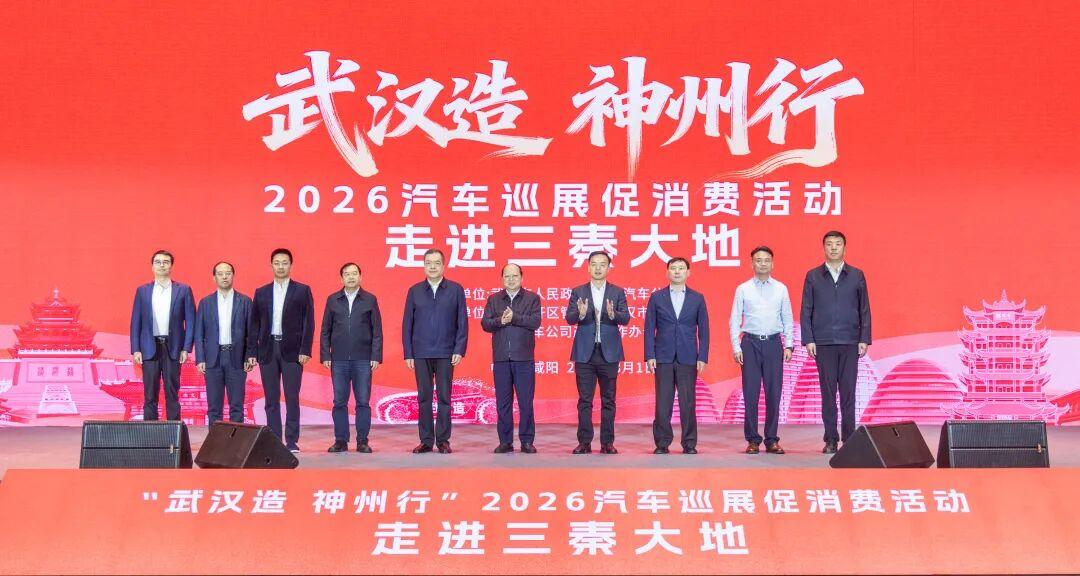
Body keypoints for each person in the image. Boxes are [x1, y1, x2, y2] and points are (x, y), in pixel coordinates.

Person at [800, 231, 872, 454]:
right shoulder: (813, 276)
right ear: (824, 248)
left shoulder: (856, 275)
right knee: (828, 393)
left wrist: (864, 338)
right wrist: (809, 339)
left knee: (848, 393)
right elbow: (806, 310)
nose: (833, 248)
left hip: (850, 341)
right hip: (823, 343)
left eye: (838, 244)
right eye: (829, 244)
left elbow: (864, 309)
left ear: (844, 248)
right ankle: (830, 439)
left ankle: (849, 439)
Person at [248, 248, 315, 453]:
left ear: (291, 265)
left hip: (293, 351)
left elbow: (309, 322)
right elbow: (254, 325)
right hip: (267, 350)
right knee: (271, 398)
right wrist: (252, 352)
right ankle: (275, 439)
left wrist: (305, 349)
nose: (280, 266)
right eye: (277, 263)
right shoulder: (261, 292)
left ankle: (292, 441)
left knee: (292, 397)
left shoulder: (302, 290)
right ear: (271, 266)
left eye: (285, 263)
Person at [402, 249, 468, 454]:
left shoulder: (455, 290)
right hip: (421, 352)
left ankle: (443, 440)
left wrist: (459, 349)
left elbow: (462, 322)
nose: (432, 266)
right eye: (428, 263)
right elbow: (407, 324)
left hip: (446, 352)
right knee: (424, 397)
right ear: (424, 266)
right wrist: (408, 353)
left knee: (444, 398)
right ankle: (426, 440)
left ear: (443, 266)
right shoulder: (414, 291)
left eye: (437, 263)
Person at [729, 247, 794, 455]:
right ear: (752, 264)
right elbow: (734, 319)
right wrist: (736, 346)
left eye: (766, 260)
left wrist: (789, 344)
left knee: (774, 393)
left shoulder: (781, 288)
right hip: (750, 344)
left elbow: (787, 317)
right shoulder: (743, 289)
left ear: (772, 263)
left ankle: (772, 439)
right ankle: (753, 440)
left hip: (774, 344)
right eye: (758, 260)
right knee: (751, 393)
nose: (763, 263)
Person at [564, 251, 630, 454]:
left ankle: (607, 443)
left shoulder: (617, 292)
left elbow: (625, 319)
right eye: (594, 264)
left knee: (609, 400)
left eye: (602, 264)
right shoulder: (578, 291)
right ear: (588, 267)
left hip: (609, 353)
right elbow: (569, 318)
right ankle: (584, 442)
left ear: (608, 268)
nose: (598, 268)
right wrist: (581, 313)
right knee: (585, 401)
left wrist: (613, 314)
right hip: (585, 353)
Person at [644, 257, 710, 455]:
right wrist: (650, 355)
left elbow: (704, 330)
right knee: (663, 402)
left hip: (688, 357)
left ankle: (689, 443)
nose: (677, 272)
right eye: (673, 268)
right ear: (667, 272)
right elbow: (649, 328)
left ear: (688, 273)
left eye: (681, 268)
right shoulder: (657, 297)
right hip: (662, 356)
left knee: (688, 403)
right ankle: (662, 443)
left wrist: (702, 356)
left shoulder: (697, 298)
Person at [320, 262, 383, 453]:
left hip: (363, 359)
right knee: (339, 401)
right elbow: (325, 330)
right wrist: (325, 354)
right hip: (338, 359)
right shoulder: (333, 300)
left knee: (363, 401)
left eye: (354, 273)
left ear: (360, 277)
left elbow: (377, 331)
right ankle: (341, 440)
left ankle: (362, 441)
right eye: (347, 274)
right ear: (342, 278)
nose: (351, 277)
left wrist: (376, 356)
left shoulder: (370, 299)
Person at [480, 263, 542, 454]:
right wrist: (501, 320)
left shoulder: (532, 298)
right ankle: (505, 441)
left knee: (525, 402)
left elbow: (535, 322)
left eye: (514, 276)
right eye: (507, 276)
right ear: (502, 279)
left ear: (521, 278)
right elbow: (485, 323)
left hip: (524, 358)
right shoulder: (494, 299)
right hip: (501, 359)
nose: (511, 279)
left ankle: (527, 441)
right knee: (503, 403)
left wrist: (514, 317)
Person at [129, 250, 195, 421]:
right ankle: (151, 433)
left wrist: (186, 348)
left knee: (172, 393)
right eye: (158, 262)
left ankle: (173, 432)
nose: (162, 265)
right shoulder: (143, 291)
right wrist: (136, 349)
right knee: (150, 394)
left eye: (166, 262)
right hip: (149, 348)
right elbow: (136, 321)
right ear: (152, 266)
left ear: (171, 266)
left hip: (173, 348)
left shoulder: (183, 290)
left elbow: (191, 321)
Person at [194, 261, 255, 425]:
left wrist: (249, 356)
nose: (224, 277)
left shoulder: (245, 301)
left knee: (237, 406)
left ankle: (236, 441)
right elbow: (198, 333)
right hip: (213, 359)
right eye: (220, 274)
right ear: (214, 278)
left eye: (227, 273)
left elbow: (251, 332)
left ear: (233, 276)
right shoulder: (205, 303)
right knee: (214, 407)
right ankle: (215, 441)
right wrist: (200, 358)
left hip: (237, 358)